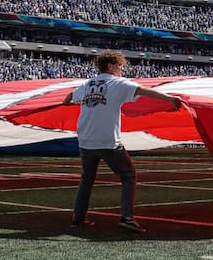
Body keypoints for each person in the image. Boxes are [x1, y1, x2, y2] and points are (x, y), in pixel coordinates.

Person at [64, 50, 181, 234]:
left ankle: (77, 219)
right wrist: (169, 99)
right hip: (107, 140)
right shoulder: (117, 83)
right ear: (110, 66)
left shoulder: (87, 84)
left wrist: (75, 103)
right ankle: (126, 218)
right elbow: (143, 90)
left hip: (85, 140)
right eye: (120, 66)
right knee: (129, 176)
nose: (122, 70)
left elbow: (68, 99)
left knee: (86, 180)